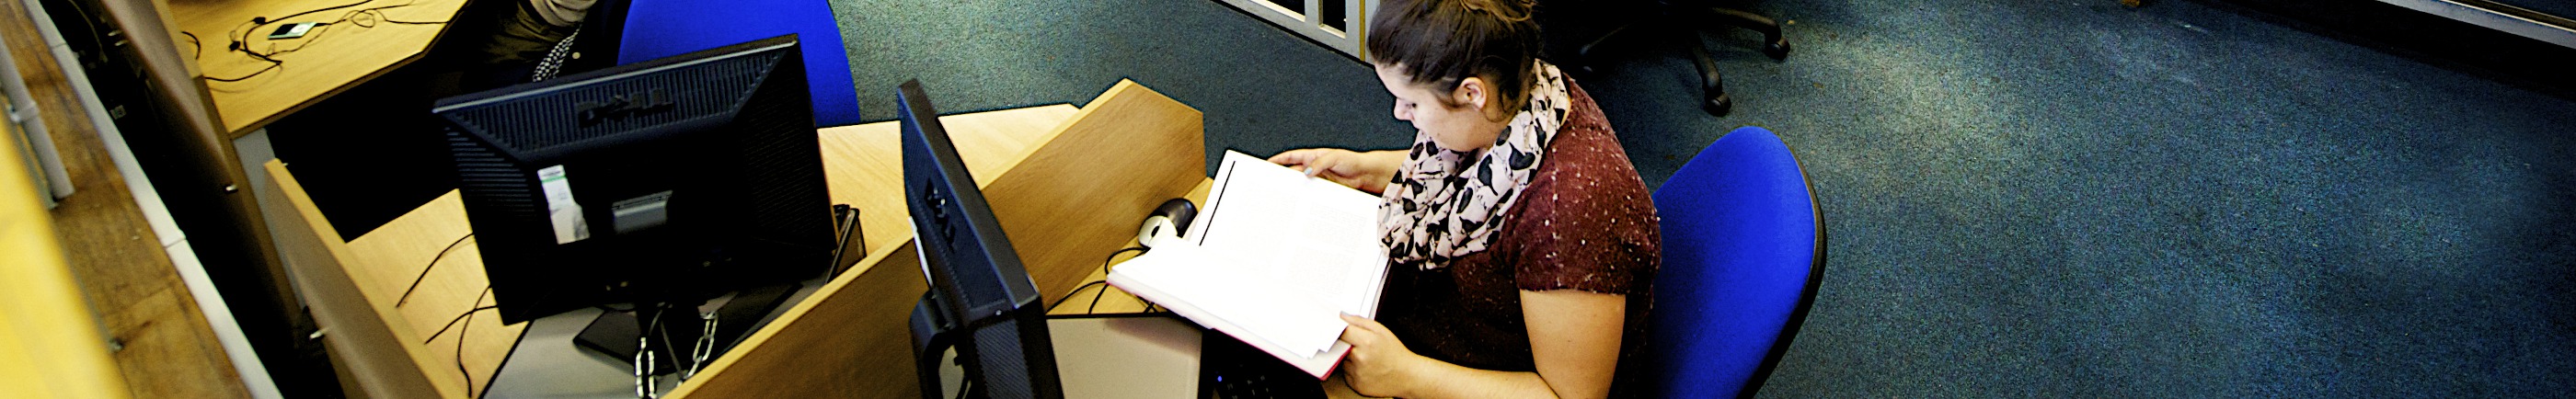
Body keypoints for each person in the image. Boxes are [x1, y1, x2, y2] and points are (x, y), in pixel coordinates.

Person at [1267, 0, 1660, 397]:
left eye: (1413, 103)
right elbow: (1480, 173)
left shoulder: (1568, 218)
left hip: (1473, 372)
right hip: (1445, 326)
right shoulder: (1524, 95)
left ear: (1473, 93)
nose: (1400, 114)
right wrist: (1370, 170)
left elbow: (1570, 395)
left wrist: (1407, 376)